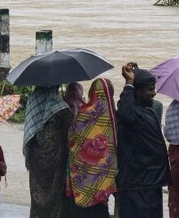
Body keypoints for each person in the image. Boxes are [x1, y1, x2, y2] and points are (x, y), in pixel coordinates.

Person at [116, 63, 170, 218]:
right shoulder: (131, 115)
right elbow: (126, 112)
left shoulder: (146, 112)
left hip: (151, 184)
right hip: (136, 186)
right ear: (137, 91)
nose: (154, 93)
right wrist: (129, 84)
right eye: (149, 89)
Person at [67, 78, 117, 218]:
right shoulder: (114, 118)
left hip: (82, 175)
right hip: (103, 177)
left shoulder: (82, 113)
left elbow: (71, 139)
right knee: (100, 210)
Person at [23, 85, 72, 218]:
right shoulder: (60, 107)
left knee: (37, 197)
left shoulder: (33, 101)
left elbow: (30, 131)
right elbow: (71, 133)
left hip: (35, 158)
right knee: (55, 198)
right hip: (56, 160)